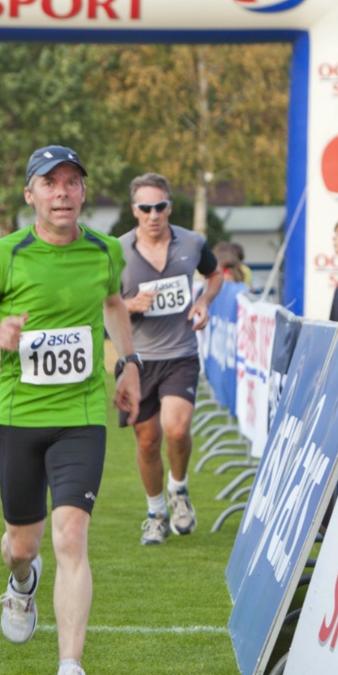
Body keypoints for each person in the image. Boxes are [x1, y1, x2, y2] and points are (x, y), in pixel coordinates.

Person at [0, 145, 140, 675]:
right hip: (18, 416)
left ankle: (70, 670)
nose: (62, 192)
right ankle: (21, 581)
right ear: (30, 194)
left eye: (72, 182)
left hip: (80, 416)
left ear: (83, 193)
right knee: (23, 545)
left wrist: (129, 364)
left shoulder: (105, 250)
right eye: (50, 183)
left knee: (71, 535)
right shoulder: (4, 255)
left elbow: (113, 303)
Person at [119, 173, 222, 545]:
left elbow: (215, 274)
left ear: (169, 207)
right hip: (137, 360)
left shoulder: (192, 242)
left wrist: (203, 302)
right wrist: (130, 305)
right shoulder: (116, 251)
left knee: (176, 429)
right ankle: (156, 513)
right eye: (145, 208)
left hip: (181, 354)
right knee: (147, 441)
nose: (153, 214)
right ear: (135, 210)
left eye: (160, 206)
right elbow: (100, 303)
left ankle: (179, 489)